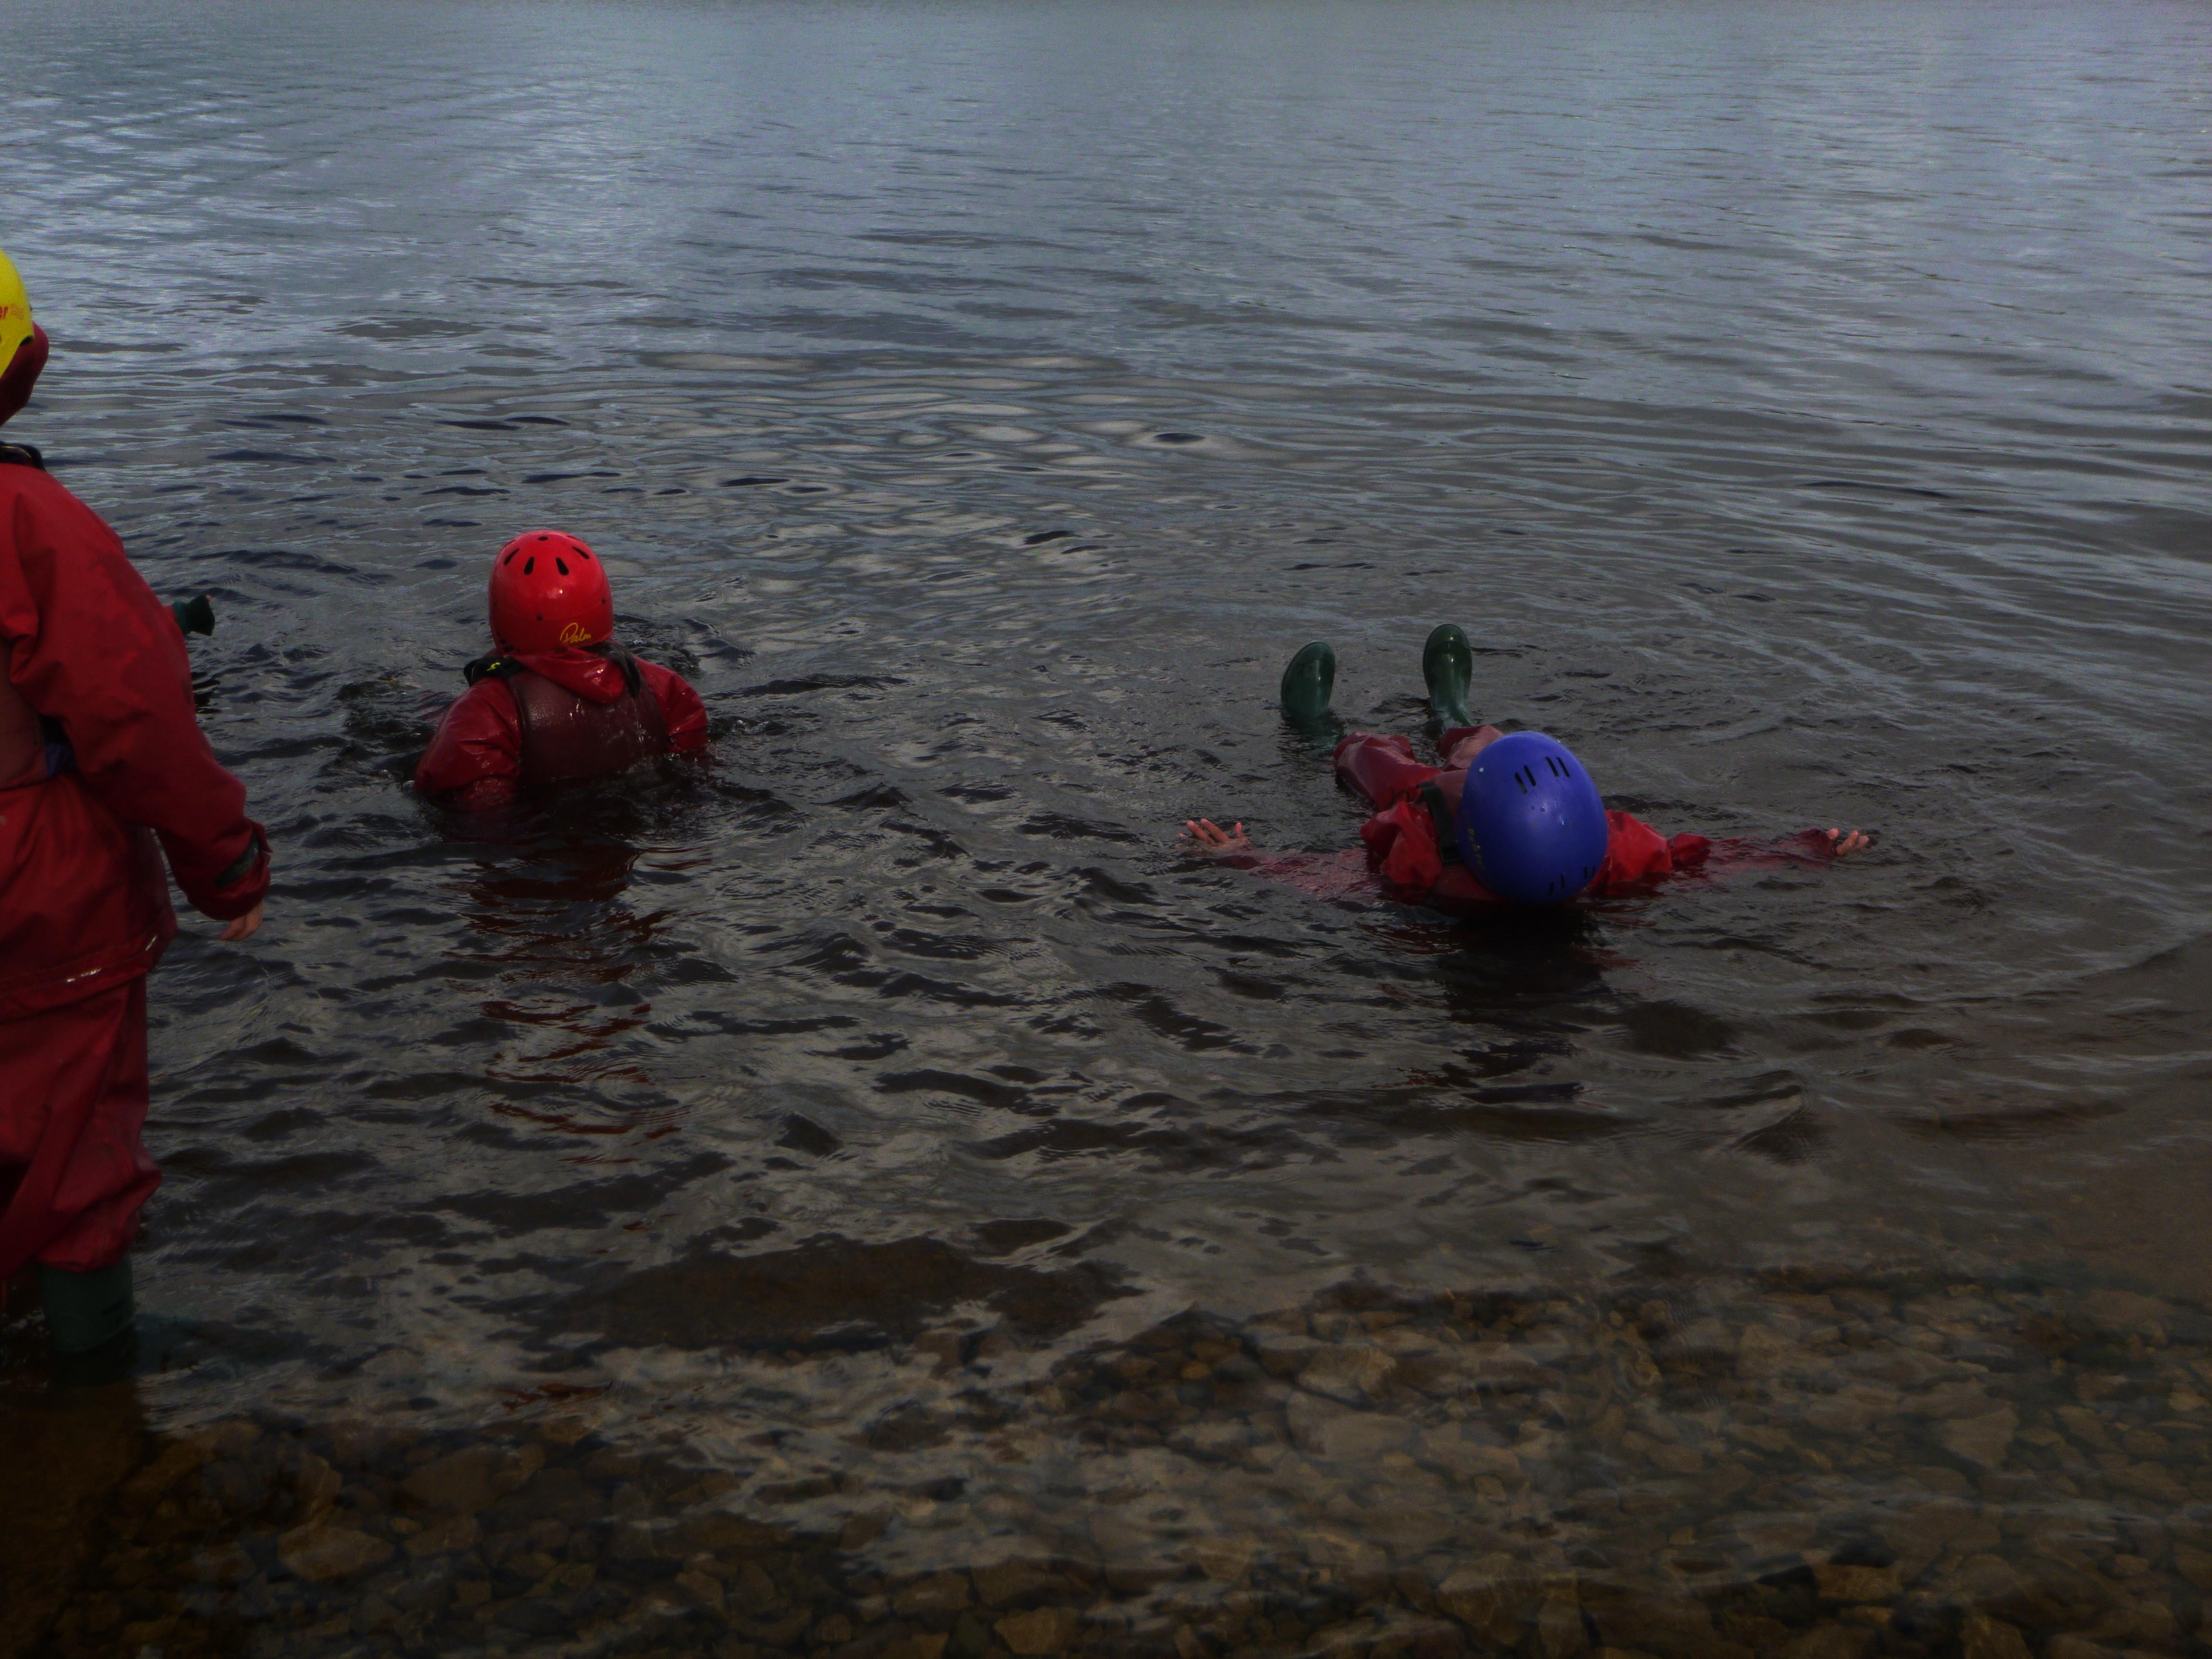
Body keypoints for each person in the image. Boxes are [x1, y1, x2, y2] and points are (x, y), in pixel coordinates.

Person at [0, 248, 271, 1375]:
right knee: (73, 1140)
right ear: (26, 364)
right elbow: (137, 719)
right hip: (34, 885)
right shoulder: (34, 523)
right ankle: (93, 1389)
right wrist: (226, 863)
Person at [1183, 627, 1867, 912]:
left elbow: (1336, 876)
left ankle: (1320, 730)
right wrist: (1804, 849)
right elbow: (1705, 857)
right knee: (1484, 741)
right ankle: (1453, 712)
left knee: (1371, 759)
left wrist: (1245, 858)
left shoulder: (1424, 854)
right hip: (1491, 802)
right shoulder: (1610, 849)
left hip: (1425, 803)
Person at [413, 529, 709, 809]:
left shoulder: (482, 714)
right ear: (601, 601)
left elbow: (480, 819)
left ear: (502, 613)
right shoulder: (668, 688)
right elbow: (695, 776)